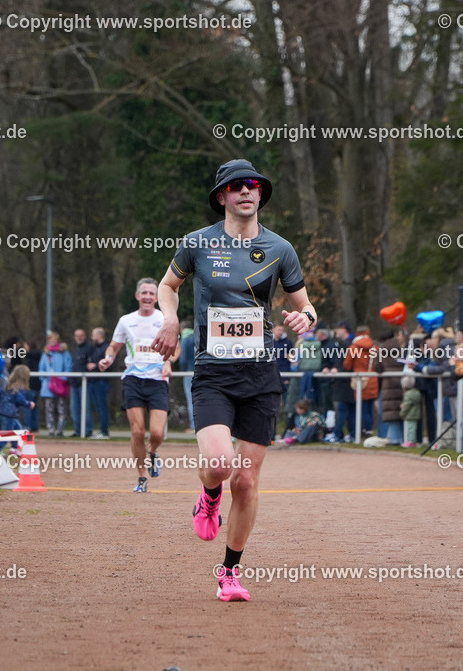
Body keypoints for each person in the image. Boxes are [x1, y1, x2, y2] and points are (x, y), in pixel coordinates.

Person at [153, 158, 316, 602]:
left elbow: (306, 305)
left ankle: (229, 572)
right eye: (237, 186)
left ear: (260, 194)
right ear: (222, 196)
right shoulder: (197, 243)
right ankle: (209, 496)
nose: (246, 191)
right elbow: (168, 286)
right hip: (213, 372)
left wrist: (305, 318)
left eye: (253, 185)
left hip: (261, 374)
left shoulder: (280, 248)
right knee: (221, 464)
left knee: (245, 481)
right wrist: (170, 319)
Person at [98, 278, 179, 493]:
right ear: (137, 296)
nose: (147, 297)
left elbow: (176, 349)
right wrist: (108, 358)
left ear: (156, 297)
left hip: (157, 380)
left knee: (157, 433)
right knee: (137, 431)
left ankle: (153, 452)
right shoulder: (126, 321)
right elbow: (113, 347)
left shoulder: (164, 319)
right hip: (133, 379)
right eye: (144, 293)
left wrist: (168, 362)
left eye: (152, 293)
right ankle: (142, 477)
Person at [0, 365, 35, 452]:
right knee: (7, 434)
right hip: (9, 415)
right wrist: (29, 404)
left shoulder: (6, 386)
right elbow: (20, 400)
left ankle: (14, 448)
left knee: (17, 430)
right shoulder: (19, 390)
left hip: (3, 413)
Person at [39, 331, 72, 436]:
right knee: (49, 408)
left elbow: (68, 366)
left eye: (54, 339)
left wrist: (63, 378)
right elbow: (41, 368)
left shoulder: (64, 352)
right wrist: (44, 378)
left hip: (61, 384)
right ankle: (51, 430)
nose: (53, 341)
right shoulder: (46, 353)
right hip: (48, 384)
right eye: (51, 339)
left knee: (62, 408)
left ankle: (60, 429)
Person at [86, 328, 111, 439]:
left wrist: (95, 366)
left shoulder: (106, 348)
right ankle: (101, 430)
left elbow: (109, 364)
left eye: (93, 335)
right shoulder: (95, 348)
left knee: (102, 407)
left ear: (99, 336)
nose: (92, 338)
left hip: (101, 382)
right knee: (97, 407)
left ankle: (104, 432)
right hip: (94, 381)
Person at [68, 328, 92, 436]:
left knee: (86, 408)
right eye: (77, 335)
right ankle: (77, 430)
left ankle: (87, 430)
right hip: (74, 383)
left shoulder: (90, 348)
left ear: (85, 336)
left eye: (81, 335)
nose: (79, 337)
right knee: (74, 408)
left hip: (85, 382)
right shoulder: (75, 349)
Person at [179, 320, 197, 432]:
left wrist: (183, 371)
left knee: (191, 399)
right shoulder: (198, 337)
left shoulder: (185, 340)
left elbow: (183, 359)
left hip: (189, 372)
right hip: (201, 370)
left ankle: (194, 425)